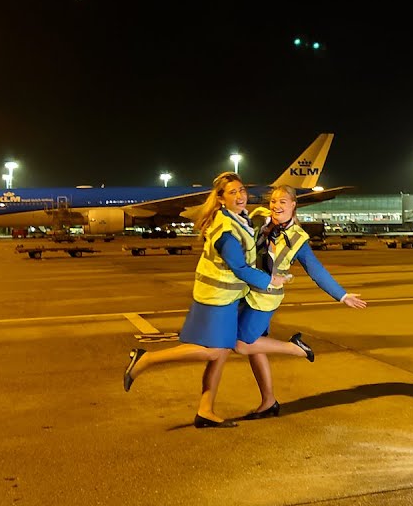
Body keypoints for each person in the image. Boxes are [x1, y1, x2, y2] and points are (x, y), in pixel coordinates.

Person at [122, 172, 314, 428]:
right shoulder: (226, 228)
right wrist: (271, 281)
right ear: (221, 199)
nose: (240, 195)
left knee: (222, 352)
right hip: (217, 297)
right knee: (215, 350)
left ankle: (206, 409)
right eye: (232, 192)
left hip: (228, 295)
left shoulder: (239, 218)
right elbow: (239, 267)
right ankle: (146, 359)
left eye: (241, 190)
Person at [235, 184, 367, 420]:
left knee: (241, 344)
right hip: (245, 292)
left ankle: (295, 349)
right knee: (256, 349)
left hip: (264, 299)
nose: (276, 206)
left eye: (282, 202)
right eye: (273, 201)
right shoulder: (260, 222)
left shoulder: (298, 238)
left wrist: (342, 295)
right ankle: (268, 401)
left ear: (294, 205)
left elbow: (316, 270)